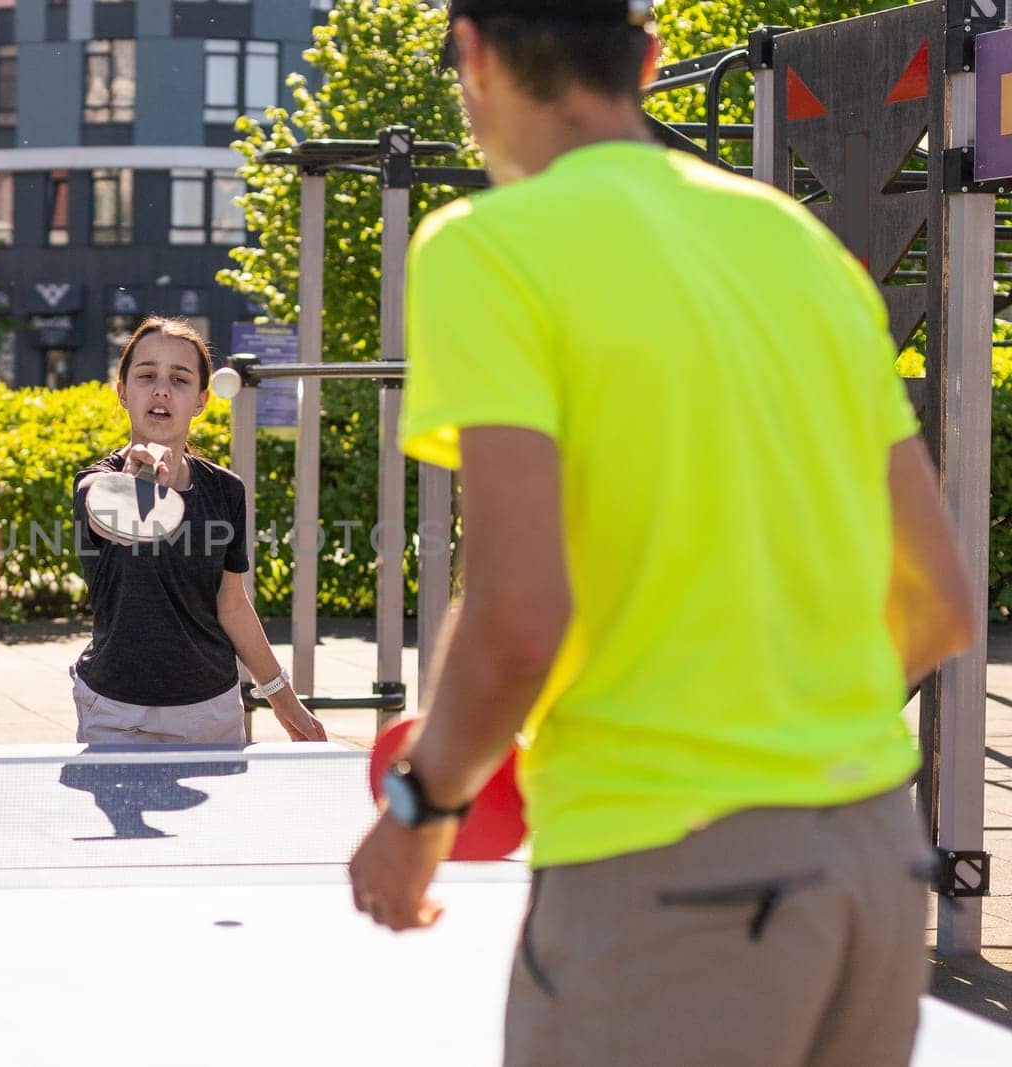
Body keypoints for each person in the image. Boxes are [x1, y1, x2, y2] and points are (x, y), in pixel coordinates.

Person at [347, 2, 977, 1064]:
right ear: (645, 59)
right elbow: (939, 602)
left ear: (471, 54)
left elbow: (515, 617)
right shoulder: (796, 245)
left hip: (670, 880)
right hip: (874, 864)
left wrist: (419, 806)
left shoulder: (487, 247)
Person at [71, 316, 327, 745]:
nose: (161, 390)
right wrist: (135, 485)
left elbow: (232, 605)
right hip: (114, 711)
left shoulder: (226, 490)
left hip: (211, 710)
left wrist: (284, 699)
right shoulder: (96, 483)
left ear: (201, 400)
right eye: (146, 375)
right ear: (123, 392)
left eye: (180, 379)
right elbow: (104, 517)